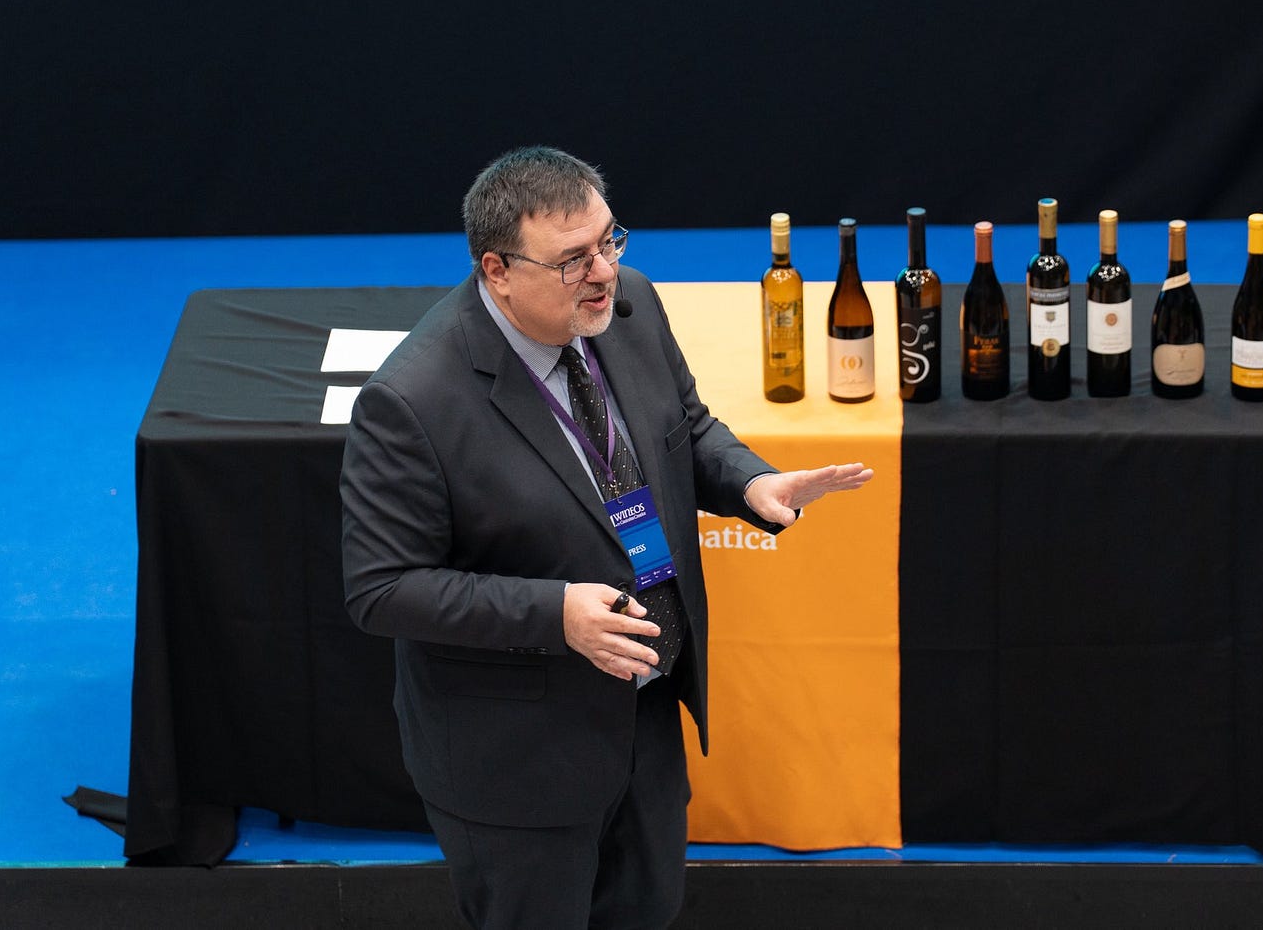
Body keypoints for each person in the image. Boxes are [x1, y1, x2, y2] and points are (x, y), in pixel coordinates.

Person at [340, 146, 872, 929]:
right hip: (517, 761)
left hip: (643, 714)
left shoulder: (630, 305)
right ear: (497, 270)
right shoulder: (412, 400)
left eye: (609, 240)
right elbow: (381, 587)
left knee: (648, 910)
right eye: (573, 260)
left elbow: (684, 425)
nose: (603, 272)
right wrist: (555, 613)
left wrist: (749, 482)